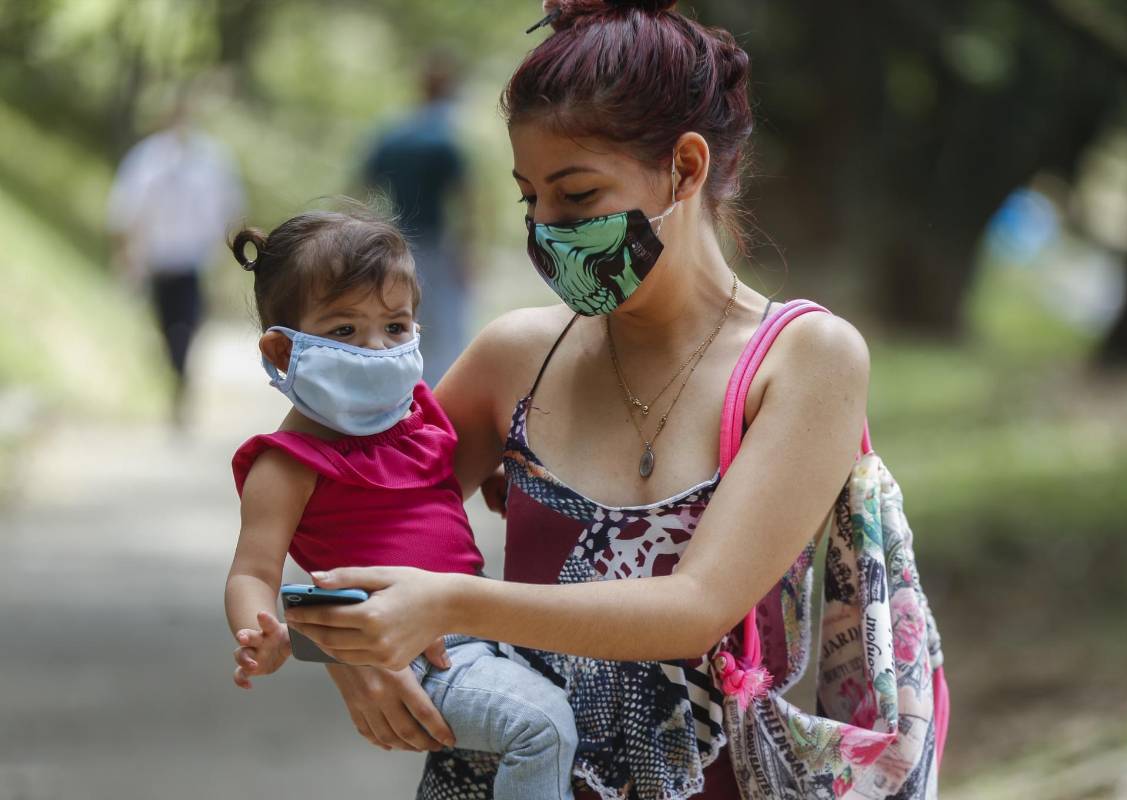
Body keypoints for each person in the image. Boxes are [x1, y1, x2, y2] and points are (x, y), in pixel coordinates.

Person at [287, 2, 871, 797]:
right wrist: (347, 648)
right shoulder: (514, 357)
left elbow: (696, 607)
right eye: (530, 200)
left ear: (686, 167)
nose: (548, 230)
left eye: (577, 197)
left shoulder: (803, 362)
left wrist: (445, 602)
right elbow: (322, 492)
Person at [223, 208, 578, 800]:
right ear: (283, 351)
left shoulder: (416, 413)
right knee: (540, 728)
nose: (376, 348)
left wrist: (493, 474)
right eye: (344, 331)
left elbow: (433, 485)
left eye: (394, 327)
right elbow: (252, 572)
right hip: (416, 656)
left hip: (484, 628)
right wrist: (260, 631)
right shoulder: (286, 464)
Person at [107, 94, 243, 425]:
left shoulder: (212, 160)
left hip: (193, 260)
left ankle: (181, 372)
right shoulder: (146, 159)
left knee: (187, 323)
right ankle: (176, 371)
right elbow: (126, 210)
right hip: (158, 259)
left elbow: (230, 210)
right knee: (167, 324)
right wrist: (126, 254)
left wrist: (227, 260)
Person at [361, 51, 472, 387]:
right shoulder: (444, 139)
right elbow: (465, 199)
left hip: (395, 242)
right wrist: (467, 251)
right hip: (435, 243)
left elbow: (364, 188)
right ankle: (438, 396)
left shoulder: (393, 135)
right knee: (444, 328)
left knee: (399, 319)